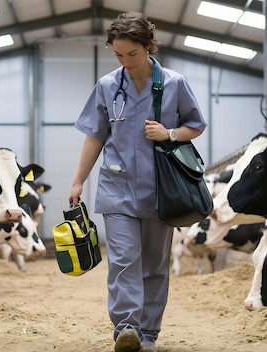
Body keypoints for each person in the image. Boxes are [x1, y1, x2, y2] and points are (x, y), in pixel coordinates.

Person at [68, 11, 207, 352]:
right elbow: (94, 137)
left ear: (148, 47)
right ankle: (127, 328)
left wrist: (169, 133)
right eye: (118, 55)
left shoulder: (175, 84)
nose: (125, 61)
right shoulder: (107, 86)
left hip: (162, 190)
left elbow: (196, 125)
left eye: (132, 54)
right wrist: (78, 181)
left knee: (155, 265)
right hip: (117, 189)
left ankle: (148, 335)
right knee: (124, 259)